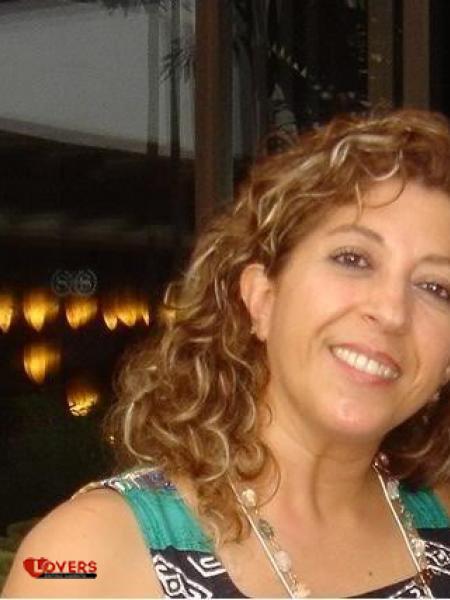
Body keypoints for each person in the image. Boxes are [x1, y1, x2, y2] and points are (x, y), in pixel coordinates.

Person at [4, 108, 450, 599]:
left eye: (436, 287)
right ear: (261, 299)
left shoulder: (442, 525)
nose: (391, 311)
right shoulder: (89, 556)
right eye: (353, 259)